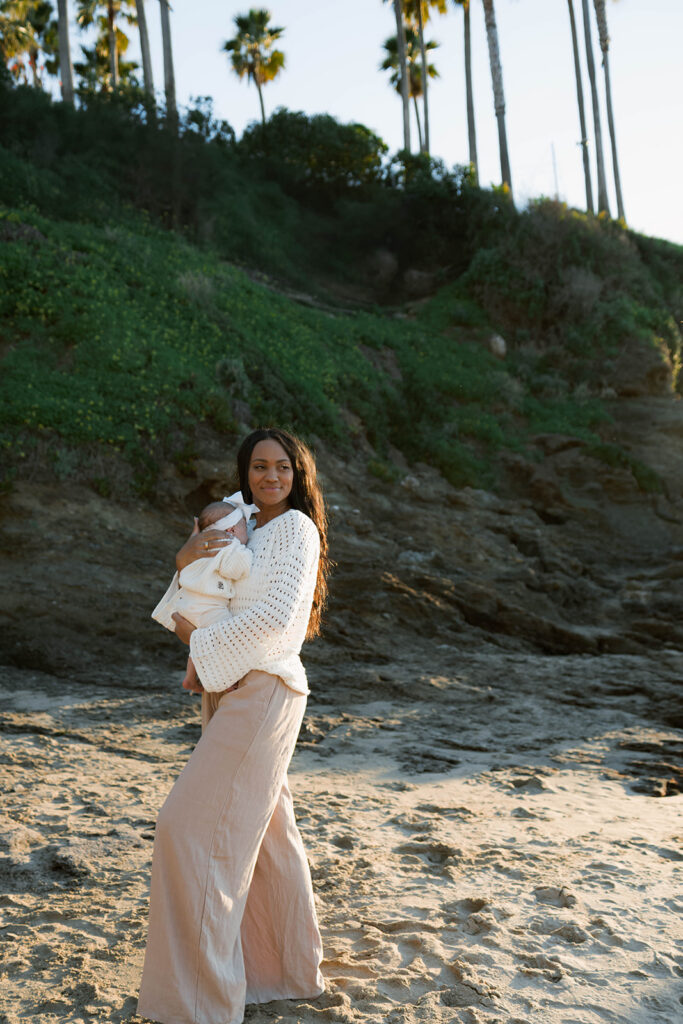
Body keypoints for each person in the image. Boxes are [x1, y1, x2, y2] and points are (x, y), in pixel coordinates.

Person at [137, 427, 330, 1024]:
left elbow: (277, 621)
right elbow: (181, 597)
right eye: (258, 468)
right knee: (268, 836)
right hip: (226, 691)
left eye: (282, 468)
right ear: (245, 474)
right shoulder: (233, 522)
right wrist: (181, 559)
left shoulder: (297, 529)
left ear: (298, 476)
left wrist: (199, 645)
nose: (270, 477)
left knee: (187, 829)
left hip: (264, 691)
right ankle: (284, 972)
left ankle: (197, 1003)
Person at [150, 493, 258, 697]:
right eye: (245, 528)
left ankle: (190, 678)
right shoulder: (228, 545)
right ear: (232, 530)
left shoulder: (200, 546)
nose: (247, 535)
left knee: (198, 643)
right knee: (224, 639)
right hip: (208, 607)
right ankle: (227, 679)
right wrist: (248, 552)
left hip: (187, 604)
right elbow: (238, 568)